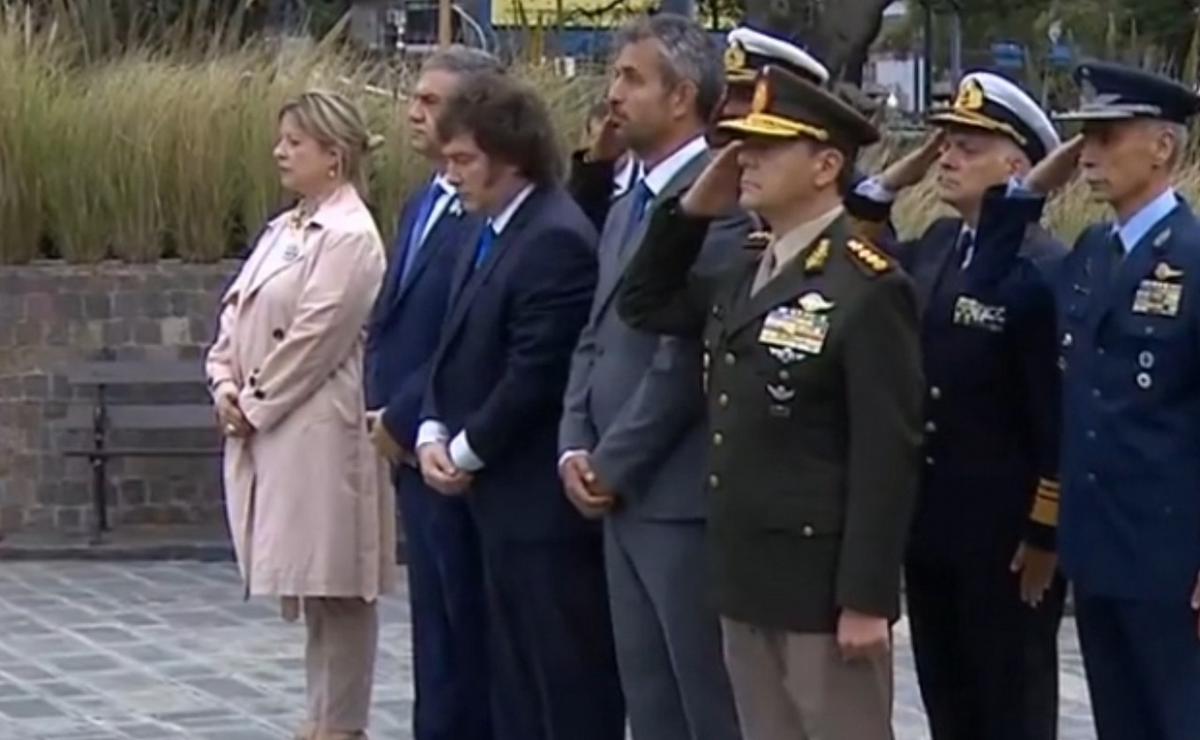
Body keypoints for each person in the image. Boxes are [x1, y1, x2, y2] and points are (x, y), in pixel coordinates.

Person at [619, 64, 922, 740]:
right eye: (741, 145)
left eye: (767, 146)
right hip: (746, 576)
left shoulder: (867, 286)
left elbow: (887, 452)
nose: (744, 159)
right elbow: (642, 302)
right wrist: (693, 209)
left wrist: (867, 597)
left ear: (826, 165)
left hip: (819, 588)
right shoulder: (745, 274)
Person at [846, 71, 1067, 740]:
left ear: (1018, 167)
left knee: (1010, 704)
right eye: (945, 143)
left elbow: (1055, 413)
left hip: (1004, 536)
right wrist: (896, 177)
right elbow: (856, 249)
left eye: (969, 147)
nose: (947, 157)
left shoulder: (1041, 266)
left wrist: (1044, 531)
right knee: (948, 703)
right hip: (933, 523)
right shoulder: (941, 244)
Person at [416, 72, 625, 740]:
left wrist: (465, 450)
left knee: (561, 687)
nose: (452, 175)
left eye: (464, 160)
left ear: (510, 158)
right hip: (495, 507)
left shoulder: (553, 238)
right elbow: (451, 341)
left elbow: (536, 372)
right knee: (510, 689)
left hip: (540, 511)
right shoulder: (488, 230)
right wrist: (430, 425)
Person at [558, 14, 746, 740]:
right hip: (617, 494)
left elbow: (684, 355)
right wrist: (573, 444)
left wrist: (612, 462)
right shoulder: (629, 193)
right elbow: (595, 334)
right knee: (650, 700)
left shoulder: (718, 198)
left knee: (705, 703)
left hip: (676, 496)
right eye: (614, 76)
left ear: (682, 96)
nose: (613, 94)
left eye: (631, 79)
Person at [205, 90, 394, 740]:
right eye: (281, 140)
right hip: (274, 427)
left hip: (321, 434)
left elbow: (317, 336)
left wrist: (254, 403)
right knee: (314, 587)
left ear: (333, 155)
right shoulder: (283, 229)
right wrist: (223, 383)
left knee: (337, 582)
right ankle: (319, 718)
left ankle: (339, 724)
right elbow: (236, 313)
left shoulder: (351, 238)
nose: (280, 152)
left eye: (295, 142)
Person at [1022, 60, 1200, 740]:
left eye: (1107, 136)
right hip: (1098, 547)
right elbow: (1002, 245)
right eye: (1083, 137)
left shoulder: (1193, 255)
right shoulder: (1094, 251)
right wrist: (1038, 182)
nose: (1089, 154)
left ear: (1162, 147)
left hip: (1172, 556)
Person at [363, 46, 502, 740]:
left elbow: (464, 334)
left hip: (450, 444)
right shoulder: (425, 200)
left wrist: (405, 414)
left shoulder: (486, 214)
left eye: (430, 101)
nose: (413, 113)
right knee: (433, 632)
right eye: (413, 99)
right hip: (406, 451)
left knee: (468, 629)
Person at [568, 100, 636, 232]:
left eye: (611, 137)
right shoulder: (579, 188)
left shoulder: (645, 180)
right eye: (597, 138)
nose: (605, 144)